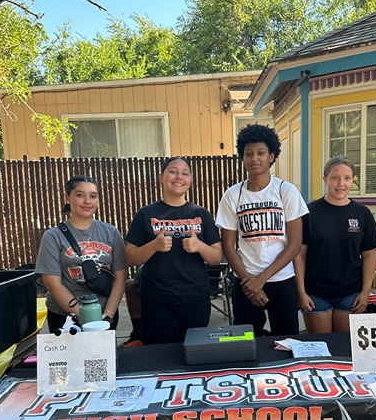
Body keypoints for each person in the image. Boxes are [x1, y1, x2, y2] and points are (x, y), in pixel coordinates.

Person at [215, 124, 308, 337]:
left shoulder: (286, 191)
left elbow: (295, 244)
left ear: (271, 156)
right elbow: (228, 245)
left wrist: (261, 279)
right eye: (249, 154)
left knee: (286, 340)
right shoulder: (232, 195)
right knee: (247, 341)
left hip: (281, 279)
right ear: (242, 157)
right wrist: (249, 282)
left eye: (260, 153)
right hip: (245, 281)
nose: (254, 158)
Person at [125, 157, 222, 344]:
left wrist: (199, 246)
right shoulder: (146, 213)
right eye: (172, 171)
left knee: (193, 353)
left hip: (196, 299)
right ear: (161, 177)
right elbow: (130, 257)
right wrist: (154, 246)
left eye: (185, 173)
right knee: (161, 354)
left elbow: (216, 257)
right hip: (157, 301)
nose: (179, 177)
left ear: (190, 180)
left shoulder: (201, 214)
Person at [294, 155, 376, 334]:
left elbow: (369, 255)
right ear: (325, 179)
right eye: (335, 177)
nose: (341, 183)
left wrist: (365, 292)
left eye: (347, 178)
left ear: (353, 180)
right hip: (315, 293)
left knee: (345, 346)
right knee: (321, 346)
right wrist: (301, 292)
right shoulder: (309, 212)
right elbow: (299, 255)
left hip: (351, 293)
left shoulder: (362, 214)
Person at [35, 175, 127, 333]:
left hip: (105, 316)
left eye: (93, 196)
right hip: (66, 317)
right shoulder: (53, 236)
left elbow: (121, 276)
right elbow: (52, 283)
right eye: (80, 195)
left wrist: (108, 314)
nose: (87, 201)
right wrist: (85, 316)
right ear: (67, 198)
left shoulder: (111, 232)